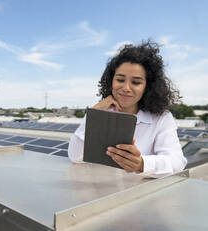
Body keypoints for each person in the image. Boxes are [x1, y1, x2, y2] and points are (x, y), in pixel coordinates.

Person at [68, 40, 187, 178]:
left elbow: (177, 163)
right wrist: (93, 114)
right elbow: (75, 156)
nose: (125, 88)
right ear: (111, 80)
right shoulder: (100, 111)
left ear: (147, 86)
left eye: (136, 82)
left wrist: (142, 163)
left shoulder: (161, 118)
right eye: (120, 79)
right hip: (101, 192)